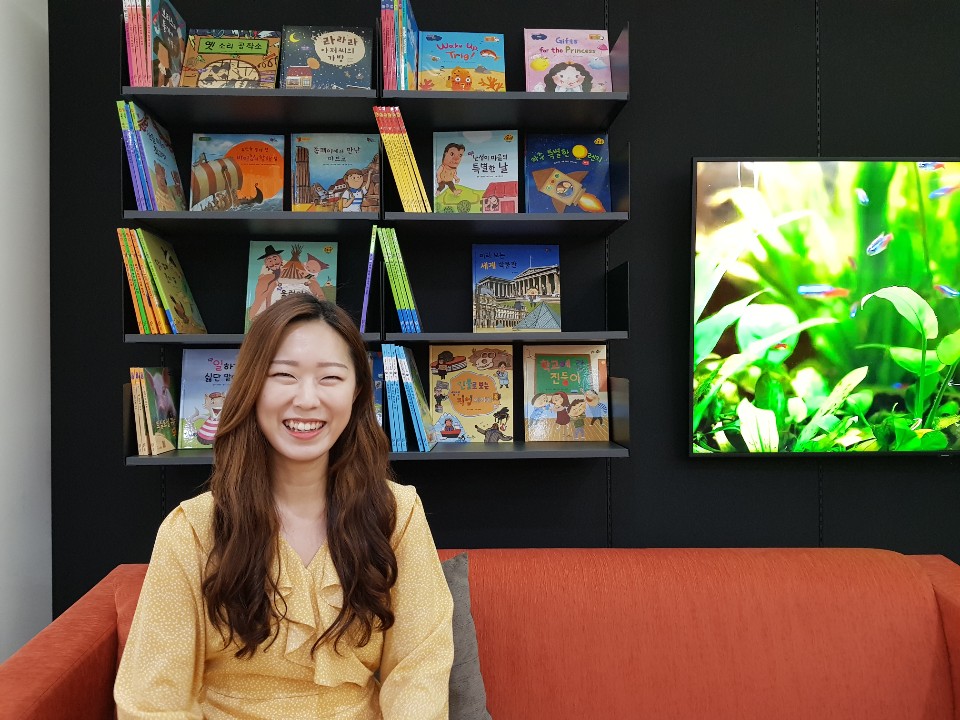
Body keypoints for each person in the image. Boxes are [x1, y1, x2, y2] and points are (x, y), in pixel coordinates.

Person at [115, 294, 454, 719]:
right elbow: (151, 701)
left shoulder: (396, 514)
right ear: (252, 387)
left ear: (356, 392)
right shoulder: (193, 529)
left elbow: (418, 672)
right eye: (283, 375)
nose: (307, 399)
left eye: (330, 377)